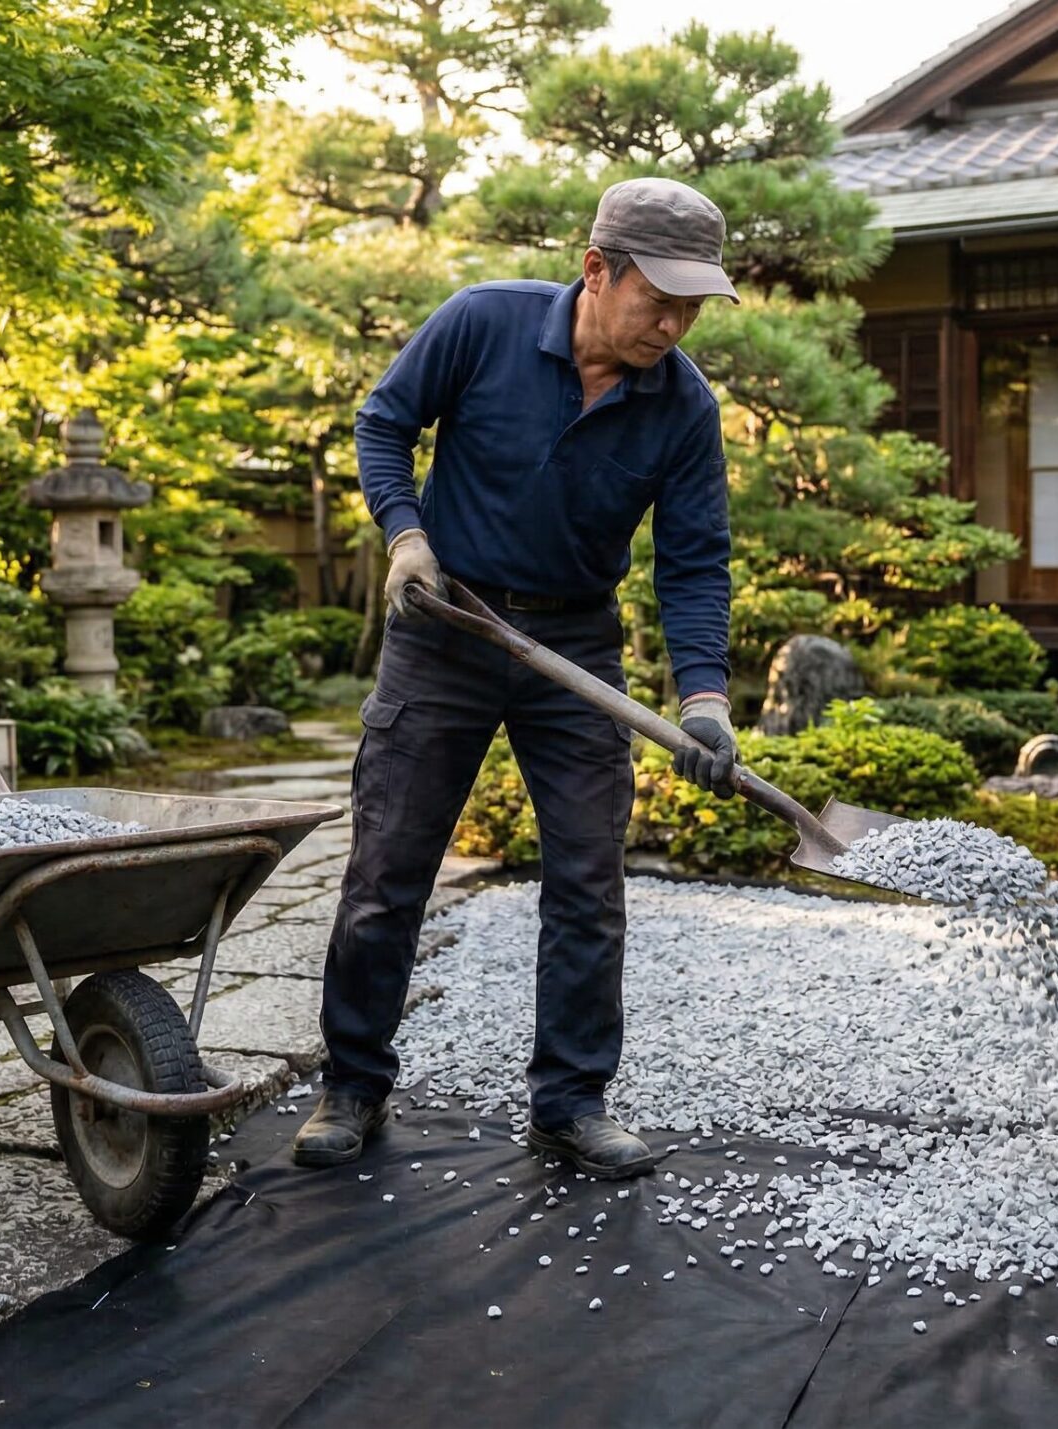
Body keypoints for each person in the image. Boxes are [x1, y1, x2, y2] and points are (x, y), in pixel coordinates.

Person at [291, 177, 742, 1180]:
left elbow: (695, 562)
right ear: (595, 269)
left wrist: (704, 700)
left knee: (588, 881)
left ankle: (569, 1101)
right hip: (446, 625)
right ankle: (353, 1081)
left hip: (574, 650)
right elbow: (382, 422)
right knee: (384, 875)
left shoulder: (683, 406)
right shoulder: (481, 324)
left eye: (692, 305)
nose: (673, 324)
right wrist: (404, 538)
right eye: (656, 299)